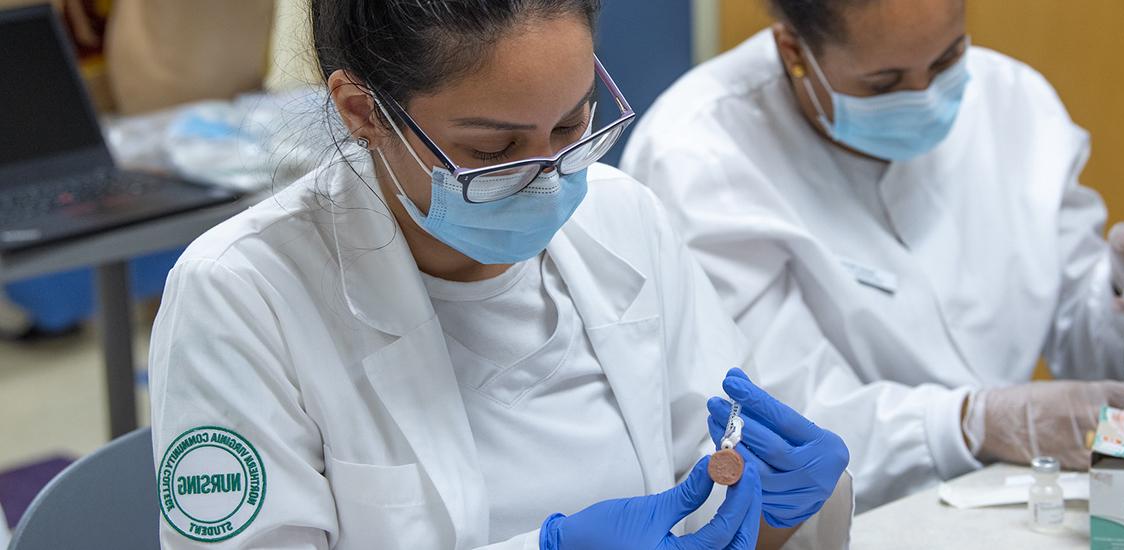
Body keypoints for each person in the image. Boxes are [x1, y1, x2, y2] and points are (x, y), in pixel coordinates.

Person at [147, 1, 851, 548]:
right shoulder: (242, 295)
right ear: (362, 110)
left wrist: (774, 513)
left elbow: (710, 491)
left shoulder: (625, 218)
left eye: (573, 129)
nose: (548, 182)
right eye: (493, 149)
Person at [621, 0, 1124, 510]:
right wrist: (970, 425)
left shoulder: (1014, 102)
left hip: (1013, 501)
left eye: (947, 60)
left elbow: (1103, 365)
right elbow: (775, 425)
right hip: (846, 523)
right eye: (883, 82)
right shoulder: (697, 156)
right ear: (793, 49)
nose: (925, 98)